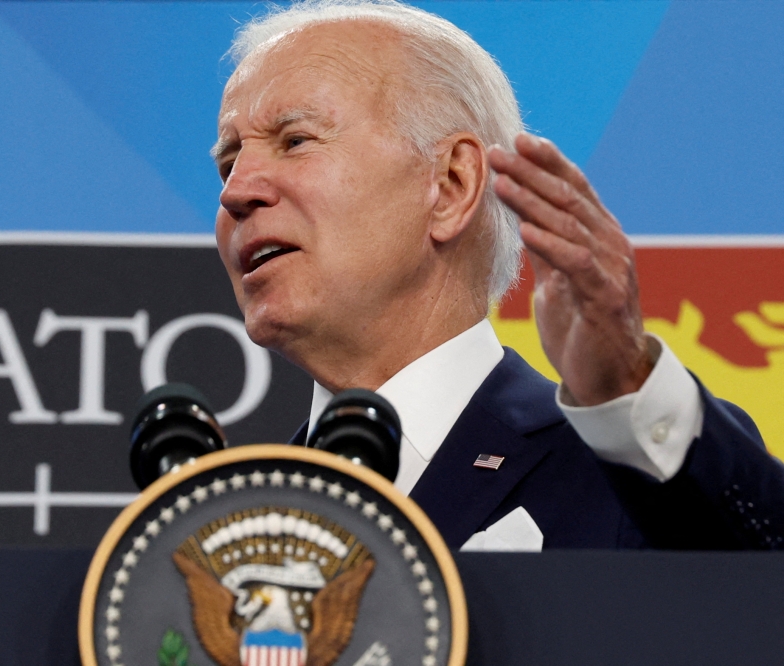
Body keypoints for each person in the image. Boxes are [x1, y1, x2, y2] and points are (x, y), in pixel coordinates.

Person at [211, 0, 784, 549]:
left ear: (452, 186)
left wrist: (628, 386)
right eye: (228, 162)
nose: (236, 191)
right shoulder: (228, 533)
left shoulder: (629, 476)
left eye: (296, 141)